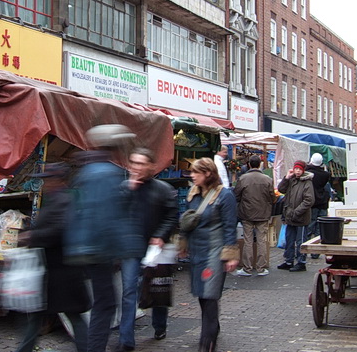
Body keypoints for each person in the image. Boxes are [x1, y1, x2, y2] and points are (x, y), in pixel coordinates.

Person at [64, 124, 133, 352]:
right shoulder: (109, 173)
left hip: (83, 247)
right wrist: (119, 250)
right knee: (106, 304)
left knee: (101, 302)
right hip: (98, 249)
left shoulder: (87, 171)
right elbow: (107, 217)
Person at [15, 163, 90, 352]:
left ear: (59, 181)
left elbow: (58, 230)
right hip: (53, 272)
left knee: (73, 317)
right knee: (35, 317)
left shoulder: (63, 201)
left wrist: (32, 236)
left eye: (47, 180)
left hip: (63, 273)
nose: (45, 184)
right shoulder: (56, 200)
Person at [116, 148, 178, 351]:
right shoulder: (125, 187)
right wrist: (129, 191)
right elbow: (117, 213)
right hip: (131, 249)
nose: (137, 167)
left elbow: (171, 216)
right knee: (129, 292)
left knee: (157, 288)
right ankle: (126, 339)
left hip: (156, 250)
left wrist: (160, 236)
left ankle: (160, 325)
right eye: (134, 162)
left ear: (151, 166)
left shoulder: (163, 189)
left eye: (141, 163)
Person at [179, 157, 238, 352]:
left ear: (207, 174)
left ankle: (207, 342)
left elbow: (230, 227)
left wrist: (230, 255)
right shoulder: (193, 193)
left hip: (214, 252)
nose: (192, 175)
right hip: (197, 252)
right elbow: (188, 220)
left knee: (210, 295)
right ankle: (213, 328)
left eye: (196, 172)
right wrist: (183, 243)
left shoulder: (225, 196)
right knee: (202, 295)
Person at [233, 155, 276, 277]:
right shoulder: (267, 179)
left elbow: (236, 195)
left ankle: (247, 268)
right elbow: (273, 197)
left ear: (249, 165)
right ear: (260, 164)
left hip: (247, 213)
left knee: (248, 241)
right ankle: (261, 268)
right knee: (261, 240)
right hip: (263, 214)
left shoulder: (243, 178)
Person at [277, 160, 315, 272]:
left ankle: (301, 262)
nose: (297, 171)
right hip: (289, 216)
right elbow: (281, 189)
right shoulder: (292, 180)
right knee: (289, 239)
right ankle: (288, 260)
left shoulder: (307, 182)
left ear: (303, 170)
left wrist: (296, 212)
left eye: (299, 169)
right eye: (296, 169)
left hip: (301, 218)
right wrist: (286, 178)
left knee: (301, 241)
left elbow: (309, 200)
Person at [305, 153, 331, 255]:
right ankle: (316, 252)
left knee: (310, 226)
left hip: (312, 203)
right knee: (320, 229)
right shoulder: (325, 174)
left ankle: (305, 249)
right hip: (323, 202)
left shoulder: (308, 173)